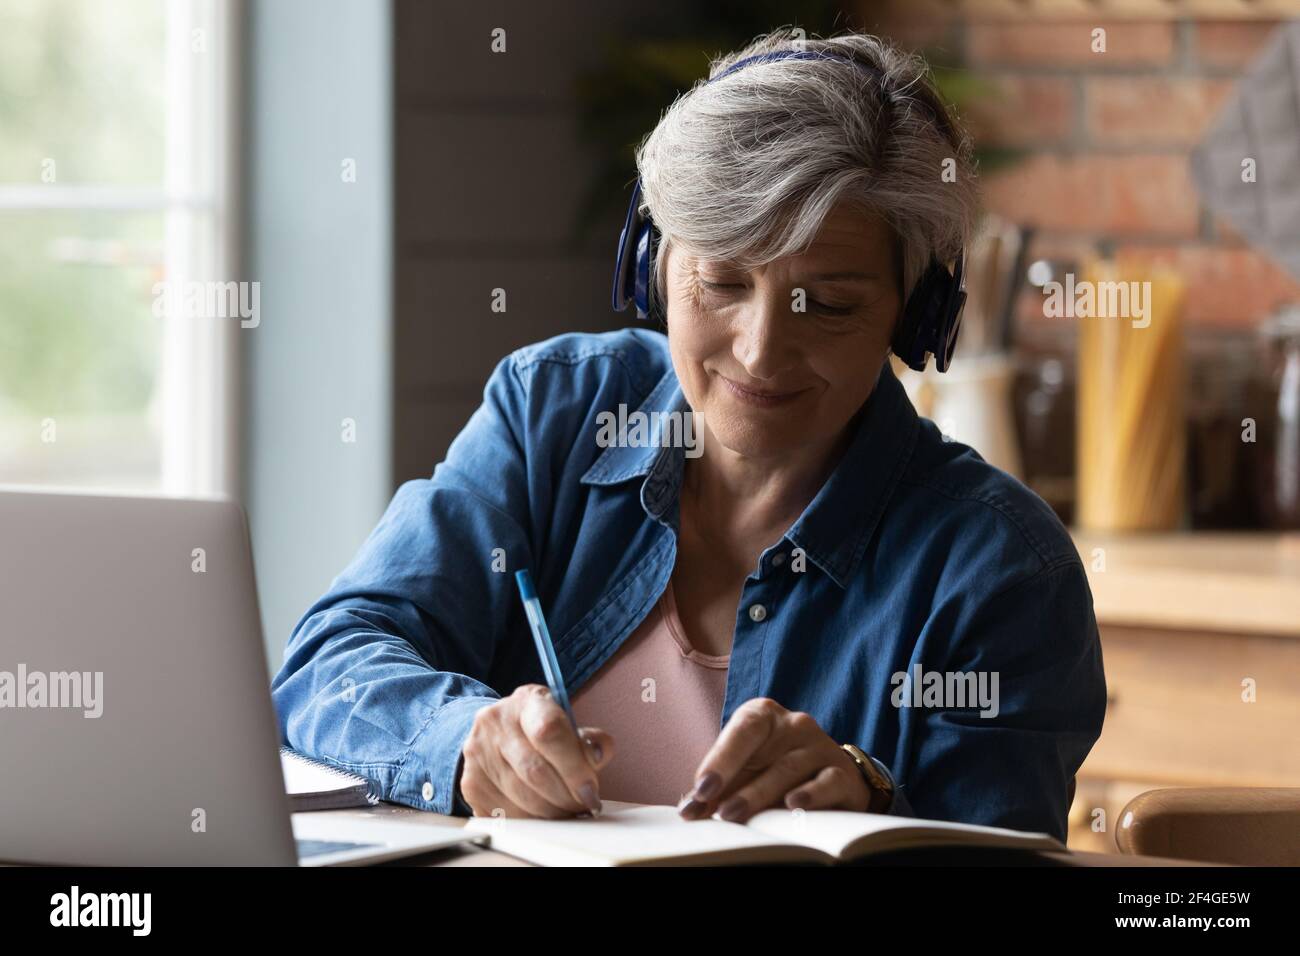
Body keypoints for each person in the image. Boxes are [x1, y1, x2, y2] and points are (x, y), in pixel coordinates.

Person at [272, 29, 1106, 843]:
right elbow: (328, 664)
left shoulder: (998, 568)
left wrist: (871, 792)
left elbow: (997, 849)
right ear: (654, 264)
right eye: (722, 281)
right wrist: (462, 739)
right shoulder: (554, 413)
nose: (760, 351)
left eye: (834, 303)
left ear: (915, 312)